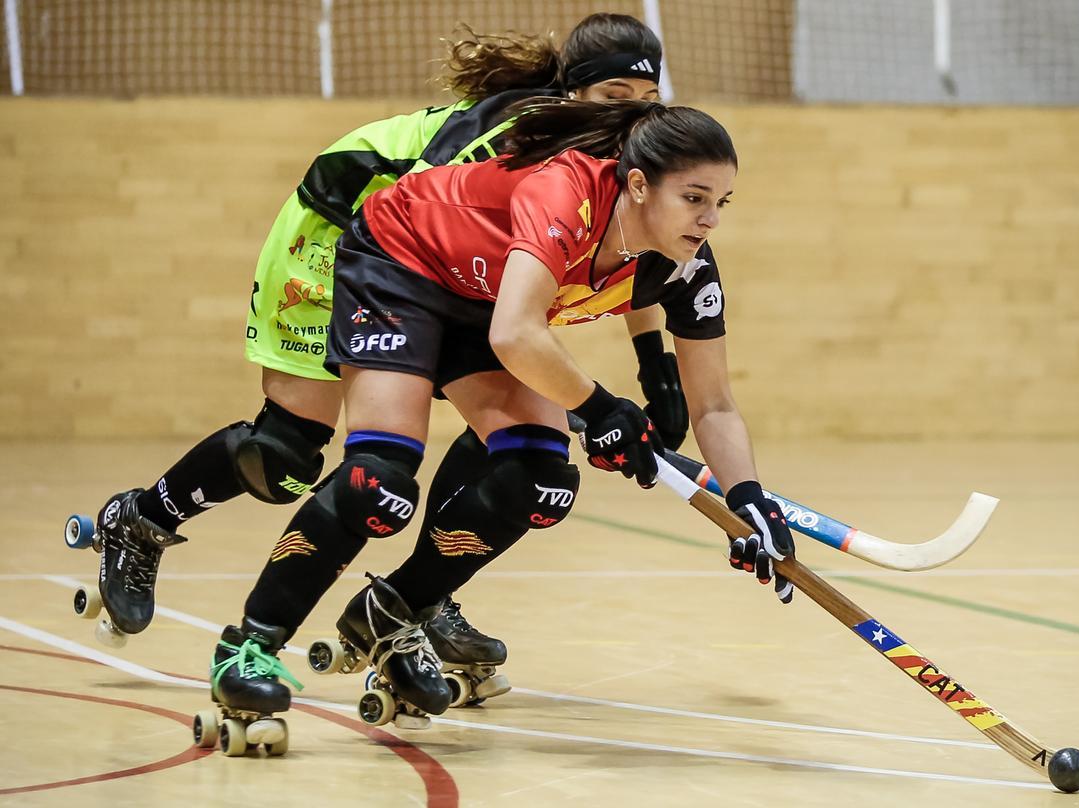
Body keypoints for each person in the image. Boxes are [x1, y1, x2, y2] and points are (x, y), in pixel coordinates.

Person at [80, 15, 687, 670]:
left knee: (509, 441)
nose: (631, 121)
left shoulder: (620, 153)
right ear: (571, 94)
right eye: (612, 101)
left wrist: (656, 369)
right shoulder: (514, 130)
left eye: (645, 103)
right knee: (285, 456)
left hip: (446, 264)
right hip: (348, 229)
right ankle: (140, 521)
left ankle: (426, 602)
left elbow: (628, 249)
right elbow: (416, 214)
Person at [205, 98, 797, 736]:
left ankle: (392, 611)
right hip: (401, 263)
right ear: (637, 184)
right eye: (695, 198)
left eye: (722, 203)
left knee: (541, 482)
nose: (710, 220)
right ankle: (249, 647)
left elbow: (714, 404)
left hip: (481, 302)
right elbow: (517, 334)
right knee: (378, 485)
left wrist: (749, 500)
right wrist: (602, 409)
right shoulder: (567, 195)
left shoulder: (686, 267)